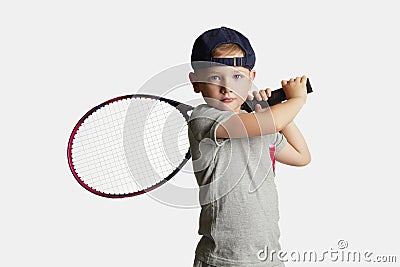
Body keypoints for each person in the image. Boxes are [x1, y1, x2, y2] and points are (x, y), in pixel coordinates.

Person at [188, 26, 311, 267]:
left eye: (237, 76)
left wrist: (276, 110)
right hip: (222, 258)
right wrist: (296, 99)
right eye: (215, 77)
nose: (227, 87)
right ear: (196, 83)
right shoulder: (205, 118)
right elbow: (267, 122)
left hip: (268, 256)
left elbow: (301, 156)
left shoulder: (261, 124)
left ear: (251, 78)